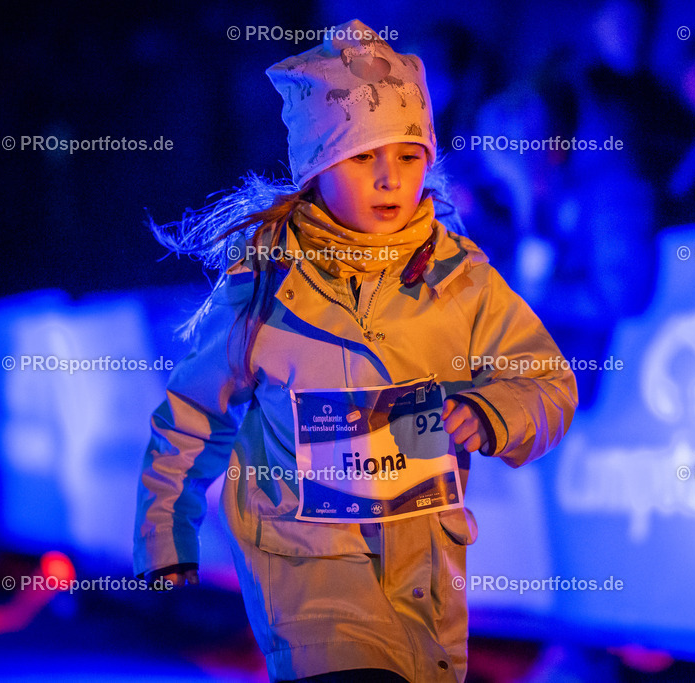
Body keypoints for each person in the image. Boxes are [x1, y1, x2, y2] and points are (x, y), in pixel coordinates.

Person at [132, 20, 577, 683]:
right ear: (317, 167)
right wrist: (166, 530)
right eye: (364, 157)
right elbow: (196, 412)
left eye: (408, 156)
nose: (390, 179)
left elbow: (547, 380)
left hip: (425, 579)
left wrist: (489, 412)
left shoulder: (459, 277)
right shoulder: (265, 283)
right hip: (305, 570)